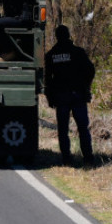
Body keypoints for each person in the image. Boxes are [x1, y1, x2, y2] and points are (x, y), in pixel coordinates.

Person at [44, 25, 96, 165]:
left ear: (57, 37)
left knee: (63, 129)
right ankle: (88, 158)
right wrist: (86, 86)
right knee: (83, 128)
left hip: (61, 96)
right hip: (78, 94)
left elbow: (47, 79)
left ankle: (66, 159)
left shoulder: (51, 55)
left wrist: (50, 97)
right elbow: (90, 70)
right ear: (68, 35)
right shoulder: (78, 52)